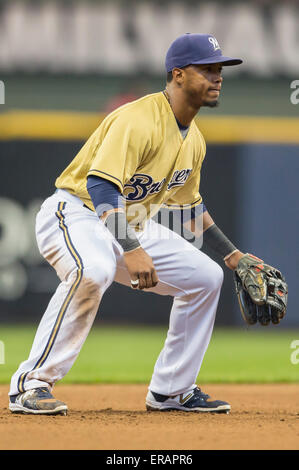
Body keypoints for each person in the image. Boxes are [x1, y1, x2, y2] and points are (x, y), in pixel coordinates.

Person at [9, 33, 245, 415]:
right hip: (76, 212)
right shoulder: (138, 119)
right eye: (207, 69)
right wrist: (132, 250)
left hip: (129, 222)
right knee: (93, 270)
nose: (217, 77)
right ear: (178, 74)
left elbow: (189, 207)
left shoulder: (194, 140)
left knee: (206, 277)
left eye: (220, 69)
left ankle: (172, 390)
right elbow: (100, 185)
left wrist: (233, 256)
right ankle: (30, 384)